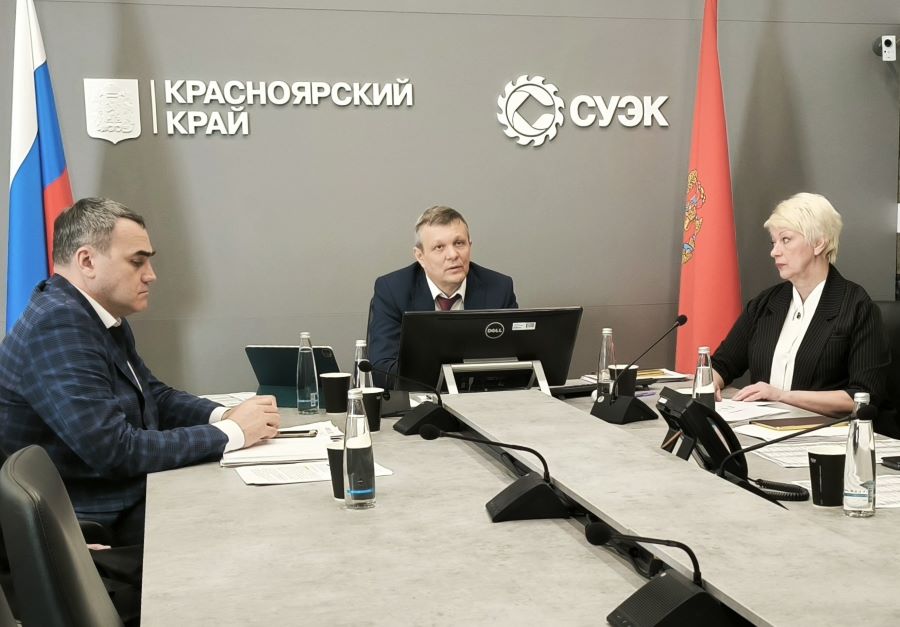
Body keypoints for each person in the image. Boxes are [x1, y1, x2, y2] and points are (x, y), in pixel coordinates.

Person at [0, 198, 281, 546]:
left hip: (121, 499)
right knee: (249, 524)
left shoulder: (93, 314)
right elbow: (115, 450)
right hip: (92, 522)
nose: (151, 275)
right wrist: (232, 433)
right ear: (87, 261)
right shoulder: (59, 323)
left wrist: (224, 415)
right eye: (137, 262)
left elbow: (153, 396)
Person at [710, 193, 895, 432]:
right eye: (773, 242)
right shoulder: (765, 303)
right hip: (762, 431)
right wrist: (709, 382)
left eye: (785, 240)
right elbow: (722, 364)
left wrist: (782, 396)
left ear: (819, 243)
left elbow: (862, 398)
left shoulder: (857, 307)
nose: (774, 252)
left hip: (826, 436)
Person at [367, 205, 518, 387]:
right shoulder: (393, 290)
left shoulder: (499, 288)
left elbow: (515, 366)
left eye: (459, 243)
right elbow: (382, 370)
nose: (453, 255)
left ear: (470, 245)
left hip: (483, 399)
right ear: (420, 256)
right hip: (420, 399)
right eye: (439, 247)